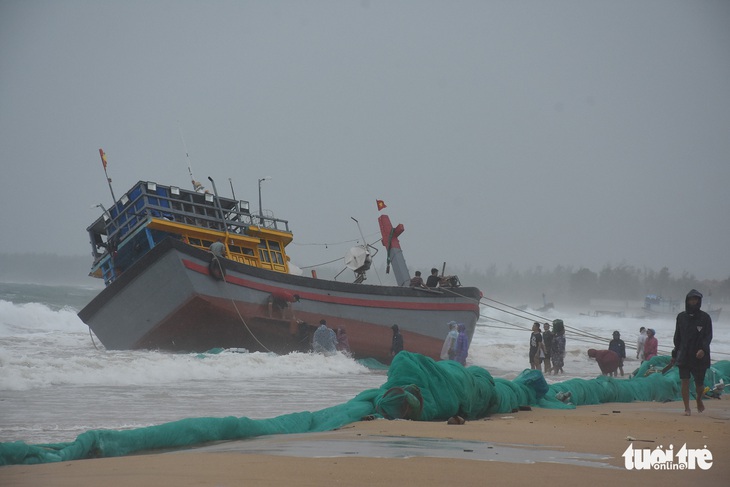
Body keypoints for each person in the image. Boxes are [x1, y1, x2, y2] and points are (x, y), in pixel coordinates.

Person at [671, 289, 713, 416]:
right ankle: (686, 408)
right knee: (685, 380)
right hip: (684, 354)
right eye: (691, 299)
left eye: (695, 299)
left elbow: (708, 336)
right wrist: (675, 353)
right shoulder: (681, 317)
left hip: (700, 356)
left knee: (699, 385)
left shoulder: (705, 318)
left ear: (699, 301)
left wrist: (703, 349)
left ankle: (699, 398)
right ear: (687, 301)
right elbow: (677, 337)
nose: (693, 302)